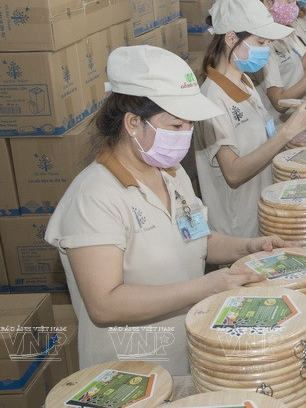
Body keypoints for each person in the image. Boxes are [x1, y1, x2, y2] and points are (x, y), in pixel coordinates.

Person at [44, 46, 292, 375]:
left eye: (189, 126)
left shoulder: (170, 175)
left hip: (187, 355)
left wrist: (247, 247)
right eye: (175, 126)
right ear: (133, 123)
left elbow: (199, 239)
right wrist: (207, 286)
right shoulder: (95, 196)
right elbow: (104, 304)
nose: (186, 135)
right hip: (129, 375)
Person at [195, 0, 306, 238]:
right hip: (238, 229)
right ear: (231, 38)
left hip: (261, 212)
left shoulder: (245, 83)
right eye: (261, 42)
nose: (266, 50)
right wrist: (287, 131)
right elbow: (232, 173)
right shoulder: (212, 96)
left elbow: (267, 135)